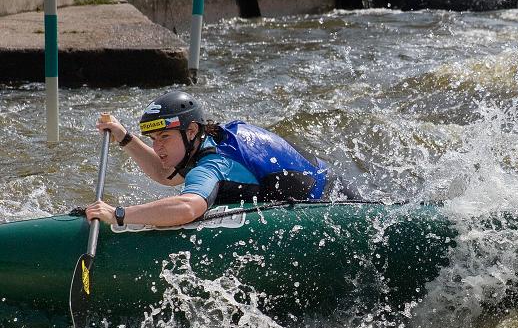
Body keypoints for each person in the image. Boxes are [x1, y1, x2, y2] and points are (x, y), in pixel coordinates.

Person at [85, 90, 357, 227]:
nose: (157, 147)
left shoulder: (213, 164)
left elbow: (188, 207)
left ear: (191, 131)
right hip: (333, 188)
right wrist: (124, 137)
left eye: (164, 137)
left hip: (333, 207)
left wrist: (119, 214)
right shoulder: (209, 139)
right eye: (153, 139)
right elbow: (165, 173)